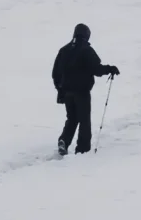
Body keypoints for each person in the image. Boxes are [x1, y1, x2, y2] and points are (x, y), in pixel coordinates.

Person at [51, 23, 120, 155]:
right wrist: (110, 69)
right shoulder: (86, 50)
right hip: (82, 92)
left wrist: (60, 90)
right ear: (86, 35)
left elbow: (55, 74)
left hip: (67, 93)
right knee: (84, 120)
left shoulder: (63, 50)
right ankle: (82, 150)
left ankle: (64, 141)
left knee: (72, 118)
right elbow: (96, 69)